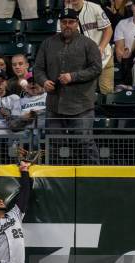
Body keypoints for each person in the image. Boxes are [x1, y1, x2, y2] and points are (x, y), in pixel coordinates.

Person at [34, 8, 102, 163]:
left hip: (81, 104)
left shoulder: (88, 44)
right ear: (60, 23)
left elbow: (96, 68)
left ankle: (95, 178)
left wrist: (73, 76)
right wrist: (43, 81)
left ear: (77, 23)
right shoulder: (48, 43)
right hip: (54, 103)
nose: (67, 25)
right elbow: (37, 69)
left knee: (84, 142)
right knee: (54, 144)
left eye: (71, 22)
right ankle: (55, 180)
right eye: (64, 22)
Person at [59, 0, 114, 94]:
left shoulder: (95, 8)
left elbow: (108, 30)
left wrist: (101, 47)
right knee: (86, 94)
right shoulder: (65, 13)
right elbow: (61, 38)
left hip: (103, 56)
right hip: (82, 61)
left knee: (107, 92)